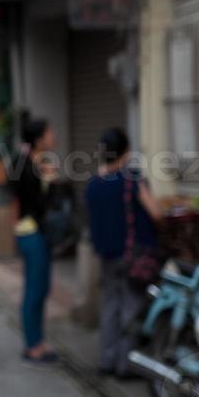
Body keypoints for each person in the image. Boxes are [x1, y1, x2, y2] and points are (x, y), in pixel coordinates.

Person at [85, 127, 162, 379]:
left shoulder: (94, 184)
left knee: (110, 306)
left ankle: (106, 360)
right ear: (126, 152)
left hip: (107, 255)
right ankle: (125, 365)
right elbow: (156, 214)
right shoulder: (132, 180)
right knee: (131, 306)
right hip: (133, 256)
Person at [11, 113, 58, 364]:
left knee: (40, 288)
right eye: (50, 132)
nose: (54, 136)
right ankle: (32, 345)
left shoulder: (31, 160)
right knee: (35, 289)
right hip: (31, 233)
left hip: (32, 232)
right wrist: (49, 181)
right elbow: (35, 203)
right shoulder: (27, 165)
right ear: (39, 138)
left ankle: (37, 340)